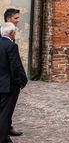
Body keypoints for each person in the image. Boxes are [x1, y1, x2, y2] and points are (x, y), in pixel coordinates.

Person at [0, 23, 27, 143]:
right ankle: (2, 137)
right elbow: (15, 67)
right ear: (11, 33)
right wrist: (19, 83)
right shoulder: (11, 46)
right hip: (8, 85)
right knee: (5, 113)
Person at [3, 9, 22, 138]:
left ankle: (7, 127)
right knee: (4, 108)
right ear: (8, 19)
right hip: (6, 79)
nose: (18, 20)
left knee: (7, 108)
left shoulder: (10, 34)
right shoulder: (4, 33)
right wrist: (18, 80)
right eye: (16, 18)